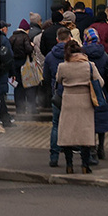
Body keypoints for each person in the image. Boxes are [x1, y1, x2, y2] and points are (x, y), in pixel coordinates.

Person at [55, 40, 100, 173]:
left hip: (68, 101)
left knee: (68, 135)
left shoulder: (63, 66)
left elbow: (58, 80)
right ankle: (85, 165)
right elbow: (100, 82)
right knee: (85, 135)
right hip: (86, 101)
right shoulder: (90, 66)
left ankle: (69, 165)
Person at [82, 28, 108, 160]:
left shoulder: (82, 55)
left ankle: (91, 148)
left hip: (85, 92)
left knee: (88, 122)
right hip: (102, 92)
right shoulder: (105, 55)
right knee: (101, 121)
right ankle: (101, 147)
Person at [43, 26, 73, 167]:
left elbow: (46, 77)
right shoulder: (74, 54)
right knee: (73, 125)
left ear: (57, 39)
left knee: (56, 125)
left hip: (58, 95)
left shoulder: (49, 56)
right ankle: (73, 156)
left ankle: (54, 157)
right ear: (69, 39)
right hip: (73, 94)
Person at [10, 19, 35, 118]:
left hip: (14, 65)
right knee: (27, 86)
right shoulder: (25, 37)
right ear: (26, 29)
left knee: (17, 87)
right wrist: (32, 46)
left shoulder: (12, 37)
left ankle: (19, 109)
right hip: (24, 64)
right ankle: (29, 109)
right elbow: (29, 49)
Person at [0, 21, 15, 128]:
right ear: (3, 29)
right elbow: (10, 57)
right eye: (6, 27)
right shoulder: (4, 39)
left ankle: (3, 118)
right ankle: (5, 119)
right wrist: (12, 73)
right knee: (1, 96)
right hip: (3, 73)